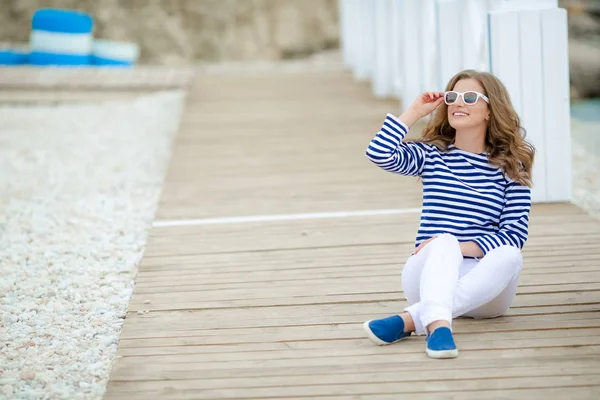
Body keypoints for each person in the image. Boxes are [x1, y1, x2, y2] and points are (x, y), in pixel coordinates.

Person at [362, 70, 535, 359]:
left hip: (486, 289)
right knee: (442, 242)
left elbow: (514, 236)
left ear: (491, 110)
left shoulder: (511, 167)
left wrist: (460, 247)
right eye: (452, 97)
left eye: (469, 97)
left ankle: (410, 320)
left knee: (510, 256)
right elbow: (379, 153)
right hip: (428, 274)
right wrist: (414, 112)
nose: (457, 103)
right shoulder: (432, 156)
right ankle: (440, 327)